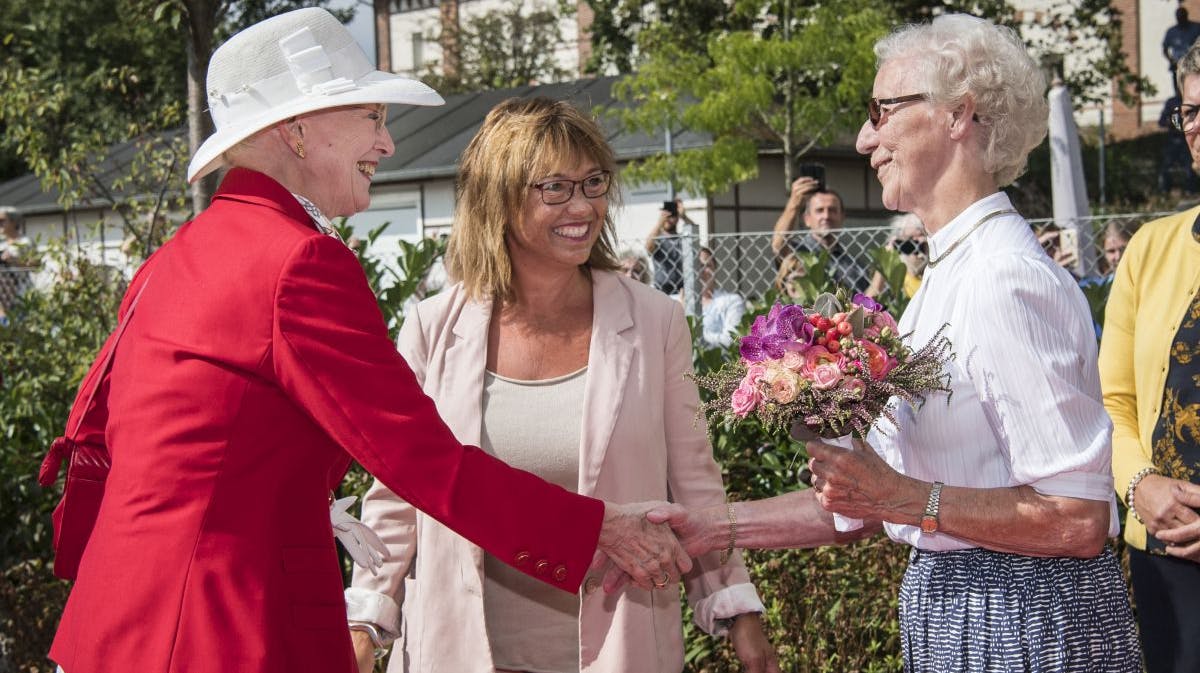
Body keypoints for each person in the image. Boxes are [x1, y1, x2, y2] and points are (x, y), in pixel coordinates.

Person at [43, 11, 689, 673]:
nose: (386, 144)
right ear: (296, 131)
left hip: (114, 623)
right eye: (373, 117)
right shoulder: (297, 262)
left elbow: (118, 444)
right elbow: (424, 462)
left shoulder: (170, 260)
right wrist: (597, 528)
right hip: (222, 630)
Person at [648, 14, 1141, 672]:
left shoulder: (1004, 280)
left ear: (959, 114)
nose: (864, 137)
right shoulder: (947, 277)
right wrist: (710, 525)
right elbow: (865, 503)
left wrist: (900, 497)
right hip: (959, 608)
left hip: (1027, 620)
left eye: (881, 110)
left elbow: (1077, 517)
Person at [345, 98, 778, 673]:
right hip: (460, 647)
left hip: (620, 647)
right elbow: (399, 494)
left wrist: (737, 612)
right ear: (497, 201)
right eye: (554, 188)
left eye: (593, 182)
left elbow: (696, 486)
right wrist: (367, 619)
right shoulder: (433, 326)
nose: (583, 206)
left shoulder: (655, 320)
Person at [1101, 39, 1200, 673]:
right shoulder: (1150, 248)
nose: (1199, 127)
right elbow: (1113, 400)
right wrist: (1140, 485)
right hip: (1166, 555)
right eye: (1190, 112)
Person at [769, 177, 868, 292]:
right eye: (819, 210)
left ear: (842, 217)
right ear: (807, 219)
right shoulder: (796, 254)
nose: (826, 216)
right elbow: (778, 245)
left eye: (832, 210)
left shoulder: (855, 267)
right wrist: (794, 203)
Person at [689, 246, 746, 348]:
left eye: (707, 265)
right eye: (697, 266)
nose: (701, 270)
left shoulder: (730, 301)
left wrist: (695, 335)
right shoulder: (675, 302)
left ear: (715, 270)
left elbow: (731, 340)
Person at [865, 212, 926, 299]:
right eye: (910, 240)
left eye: (921, 235)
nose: (917, 244)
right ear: (899, 243)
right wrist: (884, 261)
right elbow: (869, 300)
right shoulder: (896, 273)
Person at [644, 199, 694, 294]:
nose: (669, 218)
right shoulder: (658, 237)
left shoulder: (682, 238)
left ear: (677, 218)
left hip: (681, 289)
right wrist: (660, 223)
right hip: (661, 289)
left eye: (672, 215)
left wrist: (684, 216)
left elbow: (695, 234)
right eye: (667, 215)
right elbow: (648, 248)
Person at [1165, 7, 1200, 96]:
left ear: (1186, 16)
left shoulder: (1196, 28)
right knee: (1179, 94)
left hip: (1195, 67)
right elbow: (1165, 48)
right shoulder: (1171, 32)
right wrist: (1171, 60)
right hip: (1178, 67)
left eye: (1182, 16)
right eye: (1179, 17)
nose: (1181, 19)